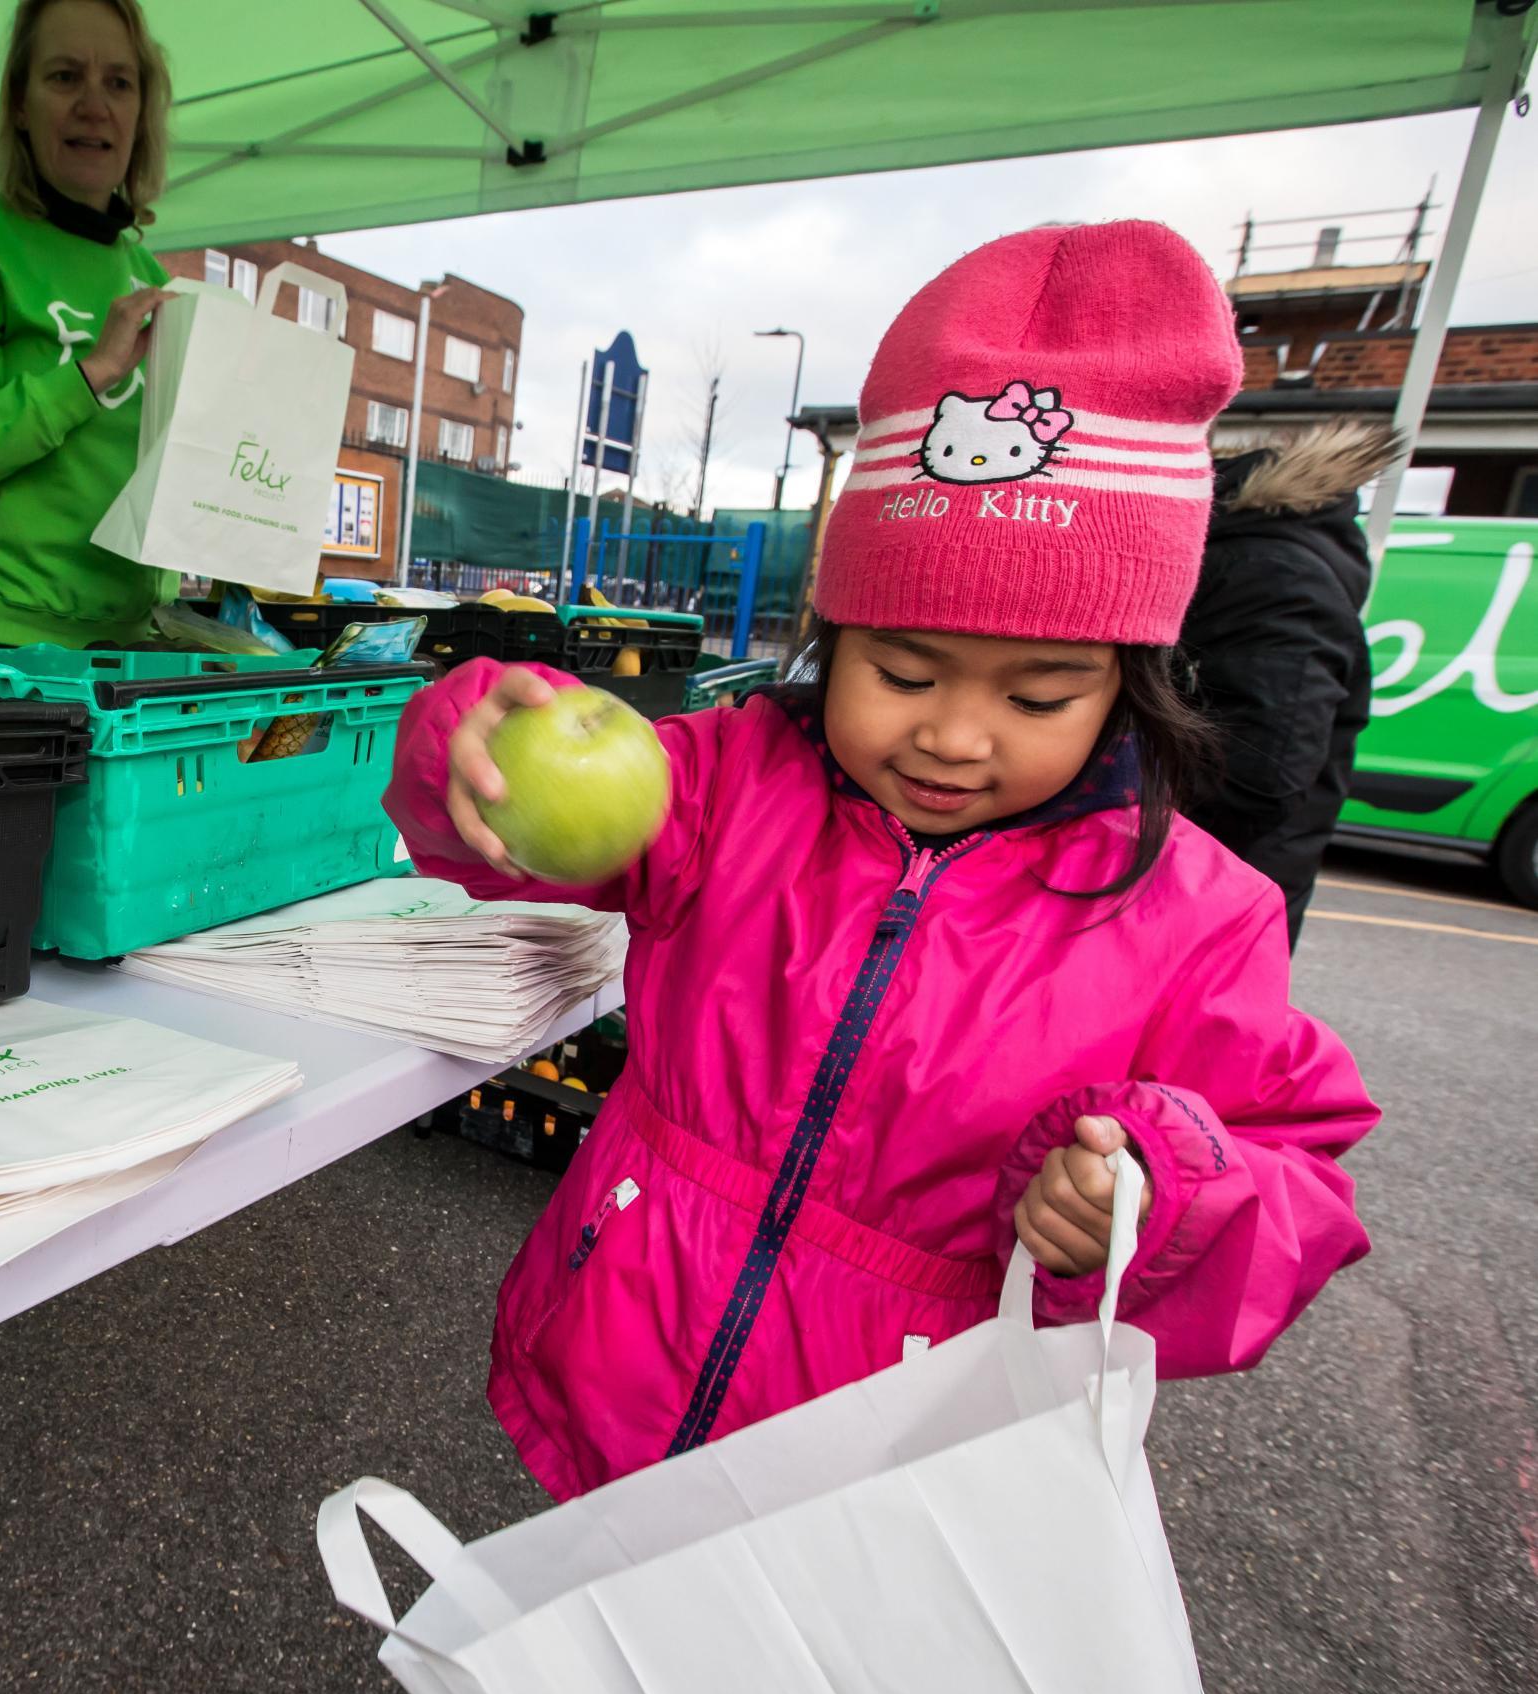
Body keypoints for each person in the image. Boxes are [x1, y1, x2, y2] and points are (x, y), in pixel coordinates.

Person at [385, 223, 1379, 1500]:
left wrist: (1160, 1194)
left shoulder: (1195, 914)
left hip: (889, 1467)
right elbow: (487, 841)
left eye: (1038, 694)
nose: (953, 736)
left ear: (1129, 687)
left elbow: (1294, 1166)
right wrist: (470, 738)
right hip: (620, 1370)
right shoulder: (730, 782)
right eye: (903, 671)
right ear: (832, 637)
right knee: (592, 1671)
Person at [0, 0, 177, 650]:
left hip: (127, 652)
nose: (95, 105)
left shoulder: (150, 275)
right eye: (65, 76)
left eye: (119, 84)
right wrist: (90, 375)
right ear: (20, 101)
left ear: (140, 113)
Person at [1179, 421, 1404, 944]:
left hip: (1207, 903)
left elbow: (1255, 776)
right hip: (1216, 890)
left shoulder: (1269, 569)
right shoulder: (1267, 556)